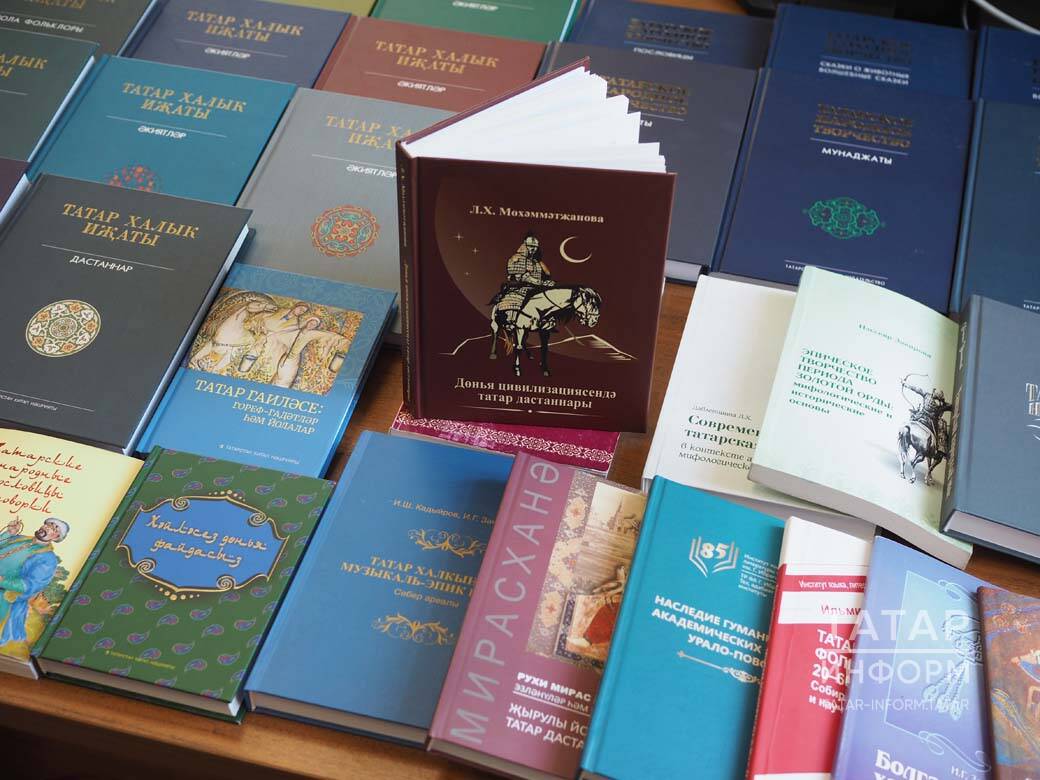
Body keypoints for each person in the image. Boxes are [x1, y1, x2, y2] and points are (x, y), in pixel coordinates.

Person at [0, 517, 68, 649]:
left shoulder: (48, 559)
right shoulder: (21, 539)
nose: (47, 527)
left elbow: (31, 585)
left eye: (54, 528)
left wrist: (4, 581)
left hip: (4, 597)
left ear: (56, 537)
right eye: (48, 524)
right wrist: (9, 533)